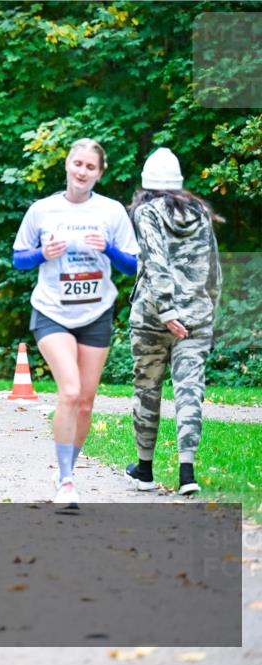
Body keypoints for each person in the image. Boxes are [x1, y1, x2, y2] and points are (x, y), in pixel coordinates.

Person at [12, 138, 140, 509]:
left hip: (96, 312)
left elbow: (133, 265)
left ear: (100, 173)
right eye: (77, 164)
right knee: (69, 391)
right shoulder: (42, 210)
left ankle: (68, 468)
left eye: (90, 167)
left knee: (85, 401)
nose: (82, 172)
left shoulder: (112, 212)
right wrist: (42, 254)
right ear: (67, 165)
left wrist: (109, 250)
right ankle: (66, 480)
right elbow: (18, 259)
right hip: (52, 310)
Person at [126, 148, 222, 496]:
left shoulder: (147, 211)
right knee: (190, 391)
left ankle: (145, 471)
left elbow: (154, 261)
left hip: (153, 318)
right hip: (196, 318)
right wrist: (208, 309)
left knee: (148, 389)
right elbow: (214, 267)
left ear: (146, 184)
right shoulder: (200, 212)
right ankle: (187, 473)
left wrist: (167, 312)